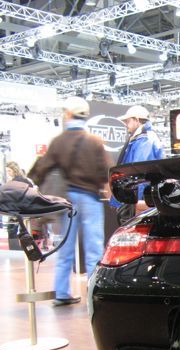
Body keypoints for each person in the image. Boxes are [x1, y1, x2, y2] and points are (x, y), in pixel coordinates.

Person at [28, 96, 111, 306]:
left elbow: (42, 169)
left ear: (67, 114)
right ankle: (94, 295)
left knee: (65, 249)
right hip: (91, 198)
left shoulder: (58, 141)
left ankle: (62, 293)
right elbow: (106, 171)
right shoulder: (95, 141)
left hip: (66, 200)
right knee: (94, 249)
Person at [110, 105, 164, 225]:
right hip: (134, 197)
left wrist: (137, 202)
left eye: (128, 121)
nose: (126, 125)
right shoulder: (140, 139)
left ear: (137, 120)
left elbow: (139, 173)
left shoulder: (145, 140)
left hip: (136, 199)